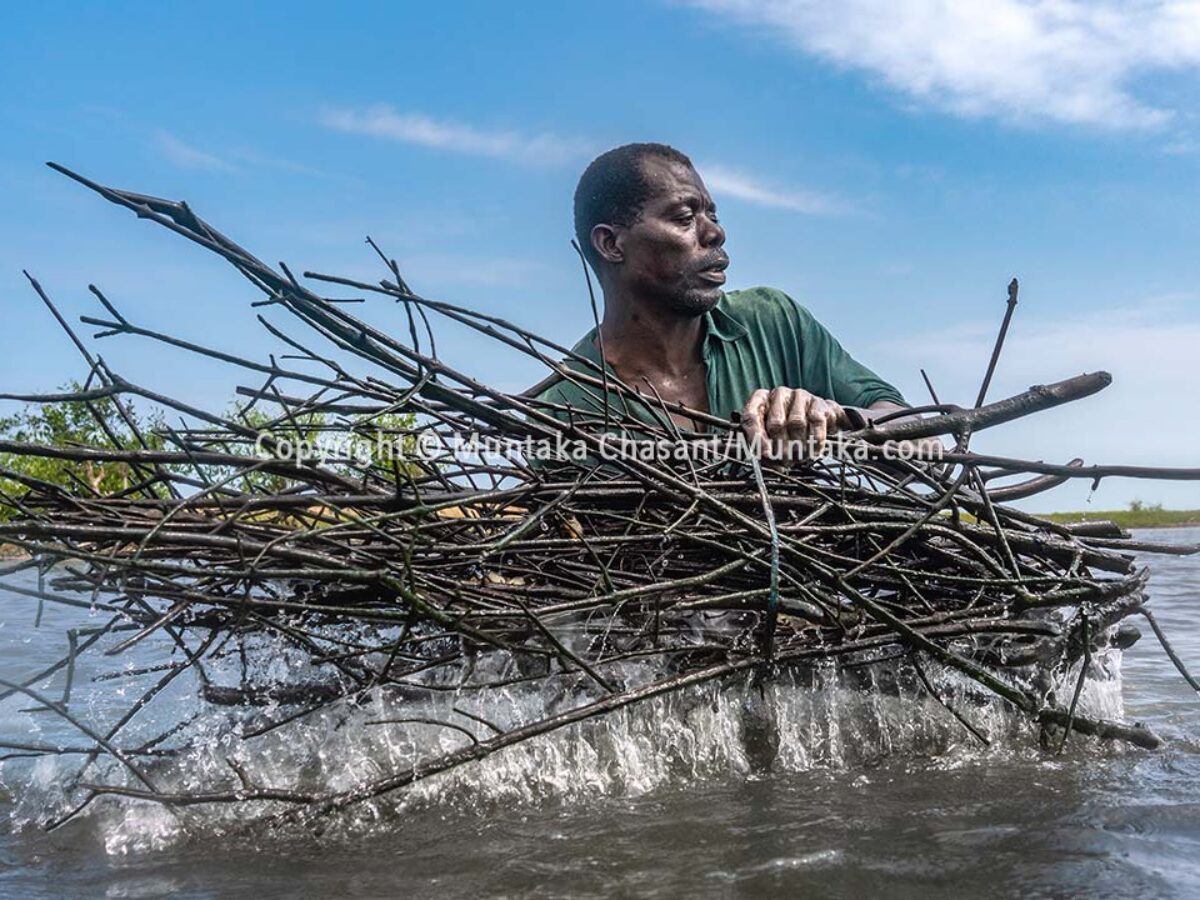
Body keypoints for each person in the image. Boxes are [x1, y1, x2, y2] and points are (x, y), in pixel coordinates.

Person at [530, 142, 909, 459]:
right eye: (684, 217)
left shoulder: (772, 321)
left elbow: (917, 437)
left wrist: (839, 417)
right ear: (611, 244)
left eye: (712, 213)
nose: (715, 233)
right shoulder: (562, 409)